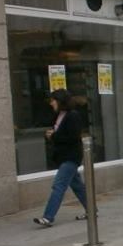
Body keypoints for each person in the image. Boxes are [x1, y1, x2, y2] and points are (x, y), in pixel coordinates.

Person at [33, 89, 88, 227]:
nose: (51, 103)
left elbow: (73, 136)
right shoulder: (59, 115)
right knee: (78, 186)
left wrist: (54, 136)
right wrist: (52, 134)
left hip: (71, 156)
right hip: (63, 156)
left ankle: (48, 217)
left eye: (53, 100)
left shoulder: (72, 116)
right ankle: (92, 210)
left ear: (60, 101)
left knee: (58, 185)